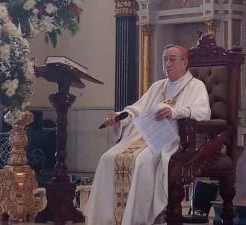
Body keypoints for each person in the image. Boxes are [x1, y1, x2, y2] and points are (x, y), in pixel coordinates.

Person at [83, 44, 211, 225]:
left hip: (171, 140)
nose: (167, 64)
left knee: (142, 162)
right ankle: (106, 219)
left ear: (185, 63)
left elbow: (202, 112)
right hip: (142, 137)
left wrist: (173, 112)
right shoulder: (158, 86)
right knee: (108, 157)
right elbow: (136, 110)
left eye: (172, 59)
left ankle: (137, 220)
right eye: (164, 60)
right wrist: (119, 118)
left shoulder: (196, 86)